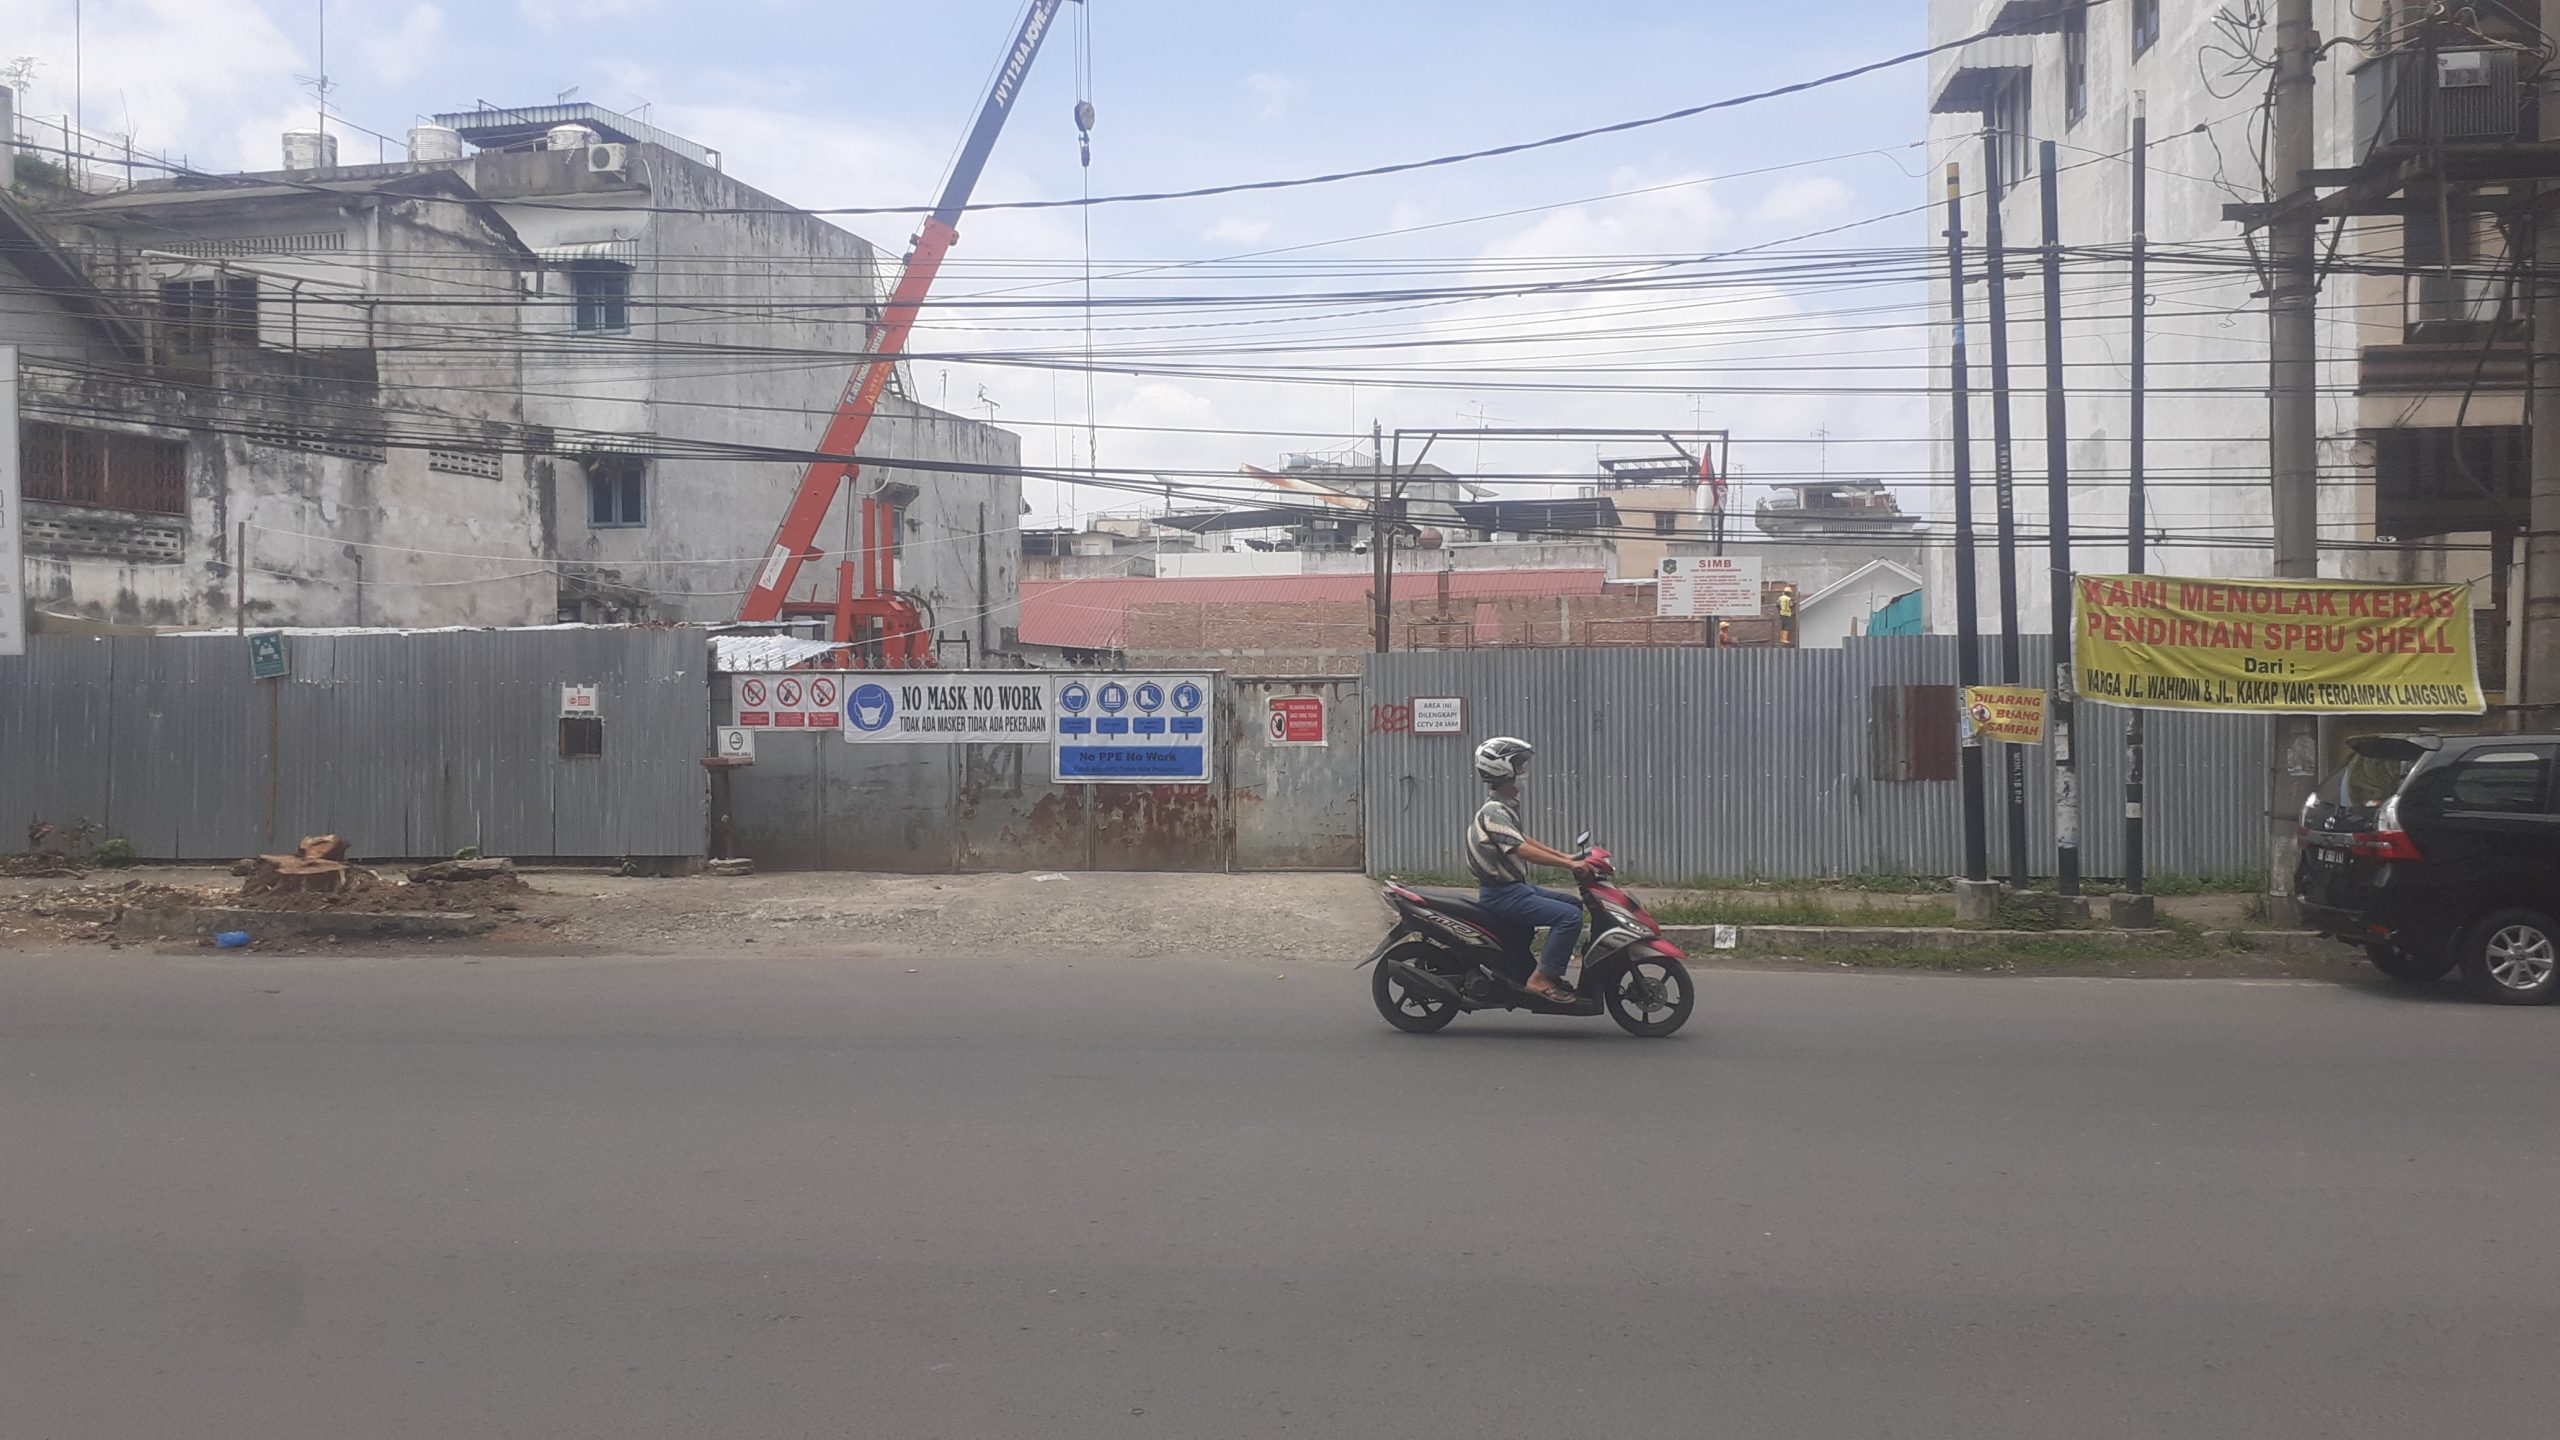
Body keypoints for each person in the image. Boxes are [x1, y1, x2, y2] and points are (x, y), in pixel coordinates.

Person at [1465, 736, 1594, 1002]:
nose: (1524, 772)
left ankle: (1548, 968)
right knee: (1569, 918)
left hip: (1514, 889)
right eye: (1519, 765)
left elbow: (1522, 840)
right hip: (1502, 894)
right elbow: (1520, 849)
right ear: (1503, 770)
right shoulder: (1494, 812)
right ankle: (1541, 979)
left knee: (1573, 904)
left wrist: (1565, 856)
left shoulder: (1503, 808)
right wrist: (1568, 864)